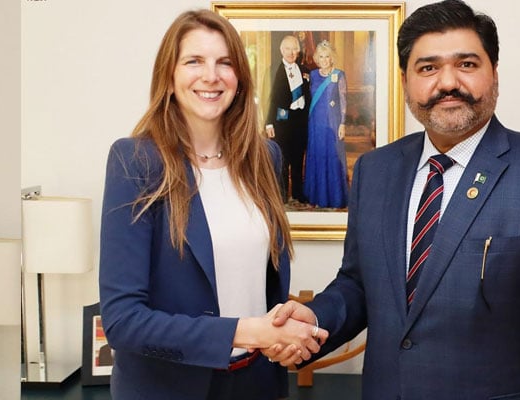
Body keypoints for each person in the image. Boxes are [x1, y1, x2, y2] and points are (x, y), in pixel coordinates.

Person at [266, 1, 520, 399]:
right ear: (405, 81)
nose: (447, 82)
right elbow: (361, 284)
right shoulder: (375, 170)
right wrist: (312, 318)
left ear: (494, 74)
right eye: (428, 68)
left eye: (466, 64)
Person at [98, 10, 327, 400]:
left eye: (225, 62)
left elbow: (264, 287)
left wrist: (279, 336)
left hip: (257, 383)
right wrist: (250, 330)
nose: (211, 75)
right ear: (169, 77)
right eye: (194, 61)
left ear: (239, 79)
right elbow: (123, 321)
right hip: (169, 389)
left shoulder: (265, 157)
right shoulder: (135, 161)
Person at [265, 35, 311, 204]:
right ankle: (282, 194)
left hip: (300, 122)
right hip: (282, 122)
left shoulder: (305, 70)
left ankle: (298, 192)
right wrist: (268, 122)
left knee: (299, 158)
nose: (292, 53)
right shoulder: (272, 70)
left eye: (294, 49)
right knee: (283, 159)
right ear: (281, 50)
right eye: (288, 49)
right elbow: (268, 99)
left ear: (298, 51)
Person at [303, 40, 349, 208]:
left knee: (333, 156)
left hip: (333, 122)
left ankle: (335, 197)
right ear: (317, 58)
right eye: (321, 56)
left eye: (327, 56)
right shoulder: (312, 75)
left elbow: (343, 100)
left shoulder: (339, 74)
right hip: (315, 123)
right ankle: (315, 196)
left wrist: (342, 123)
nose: (324, 59)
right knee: (317, 155)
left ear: (332, 58)